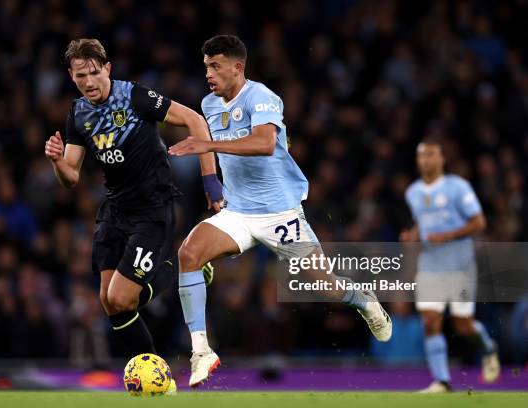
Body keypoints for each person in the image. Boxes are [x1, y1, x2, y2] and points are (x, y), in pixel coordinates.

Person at [169, 35, 392, 387]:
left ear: (237, 67)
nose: (209, 73)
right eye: (206, 66)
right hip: (238, 212)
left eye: (216, 66)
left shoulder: (263, 97)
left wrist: (208, 143)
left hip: (280, 215)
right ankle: (201, 351)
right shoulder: (209, 104)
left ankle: (363, 301)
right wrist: (212, 183)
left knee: (326, 288)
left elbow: (264, 143)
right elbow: (209, 148)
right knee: (189, 253)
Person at [44, 39, 221, 367]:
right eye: (80, 76)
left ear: (107, 68)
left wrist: (211, 182)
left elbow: (196, 120)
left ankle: (182, 269)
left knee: (121, 297)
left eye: (94, 73)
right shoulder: (78, 113)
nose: (89, 82)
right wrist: (56, 161)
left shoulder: (135, 97)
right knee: (109, 302)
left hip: (152, 210)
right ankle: (155, 375)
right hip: (115, 212)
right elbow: (70, 178)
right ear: (71, 76)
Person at [400, 137, 500, 392]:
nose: (426, 160)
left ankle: (488, 347)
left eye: (431, 155)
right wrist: (412, 236)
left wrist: (446, 236)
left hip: (460, 267)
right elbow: (423, 224)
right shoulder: (413, 192)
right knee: (431, 320)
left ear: (442, 159)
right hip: (430, 267)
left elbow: (479, 222)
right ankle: (442, 381)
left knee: (463, 325)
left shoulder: (458, 187)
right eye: (422, 155)